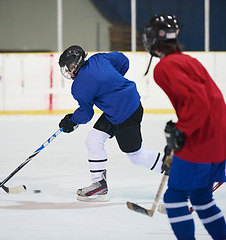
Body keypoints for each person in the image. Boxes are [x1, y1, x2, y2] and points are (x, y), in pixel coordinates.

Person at [142, 14, 226, 240]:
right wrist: (179, 128)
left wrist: (181, 132)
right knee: (201, 198)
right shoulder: (188, 60)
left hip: (203, 136)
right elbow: (201, 101)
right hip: (220, 134)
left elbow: (198, 103)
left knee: (174, 199)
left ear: (153, 39)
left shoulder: (165, 66)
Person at [58, 45, 164, 202]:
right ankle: (99, 184)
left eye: (68, 68)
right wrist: (112, 83)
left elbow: (86, 114)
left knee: (136, 155)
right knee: (93, 140)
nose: (66, 71)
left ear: (75, 64)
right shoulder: (99, 59)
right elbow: (123, 61)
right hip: (123, 106)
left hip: (125, 113)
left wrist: (72, 120)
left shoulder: (79, 86)